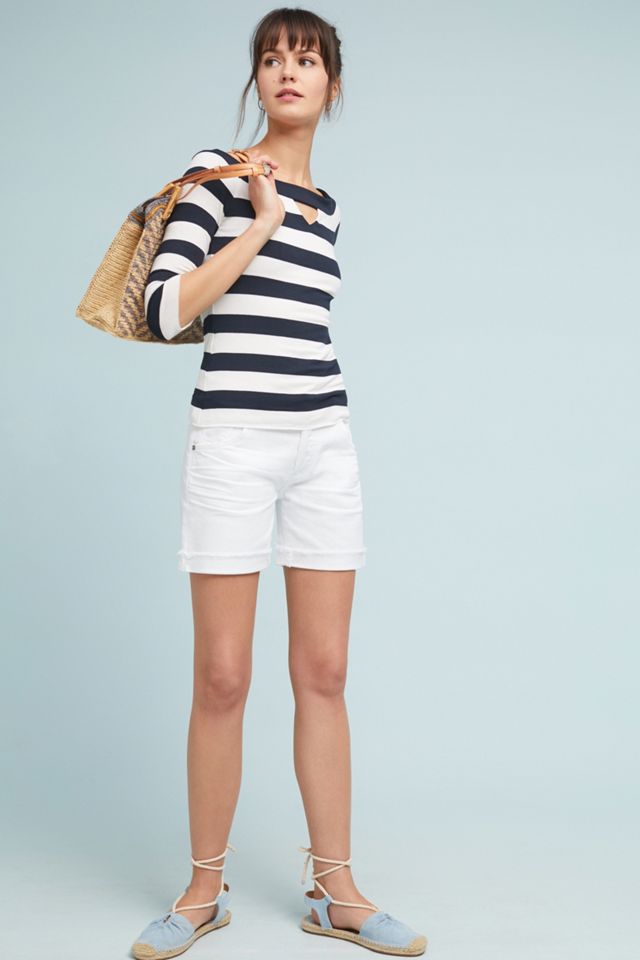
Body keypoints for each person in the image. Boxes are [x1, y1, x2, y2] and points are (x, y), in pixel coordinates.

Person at [131, 8, 427, 958]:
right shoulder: (217, 176)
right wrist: (258, 221)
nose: (288, 72)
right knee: (223, 676)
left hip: (323, 441)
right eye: (272, 58)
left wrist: (289, 215)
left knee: (325, 673)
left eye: (306, 59)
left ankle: (336, 892)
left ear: (333, 85)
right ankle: (202, 892)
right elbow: (164, 309)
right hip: (231, 440)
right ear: (257, 79)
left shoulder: (330, 208)